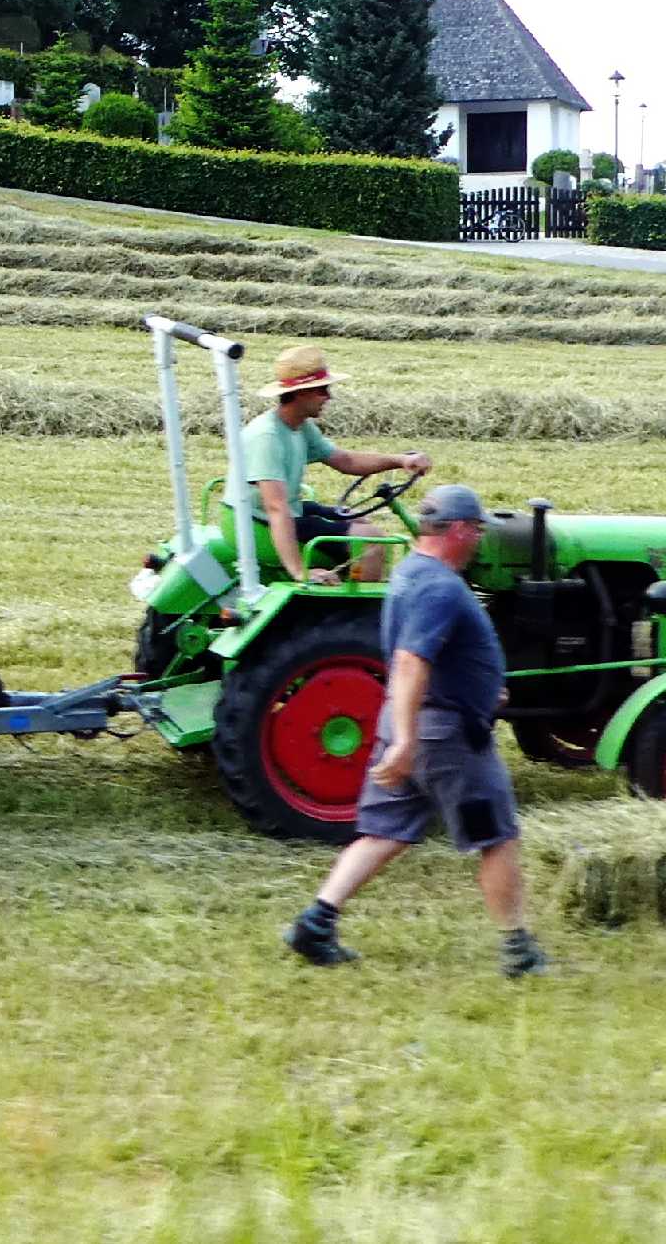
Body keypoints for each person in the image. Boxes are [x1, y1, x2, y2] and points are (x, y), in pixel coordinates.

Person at [282, 484, 547, 978]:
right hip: (444, 738)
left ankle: (315, 923)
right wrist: (406, 741)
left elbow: (430, 658)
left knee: (384, 831)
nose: (480, 540)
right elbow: (410, 661)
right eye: (478, 530)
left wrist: (478, 687)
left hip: (412, 723)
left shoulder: (409, 572)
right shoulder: (440, 587)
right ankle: (518, 949)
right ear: (459, 530)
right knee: (497, 836)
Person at [244, 346, 431, 586]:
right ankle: (359, 608)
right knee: (372, 541)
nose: (329, 397)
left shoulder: (299, 427)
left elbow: (345, 461)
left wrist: (401, 460)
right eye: (323, 390)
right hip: (258, 522)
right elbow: (276, 507)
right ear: (301, 393)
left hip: (283, 510)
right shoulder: (267, 437)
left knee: (357, 519)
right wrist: (299, 571)